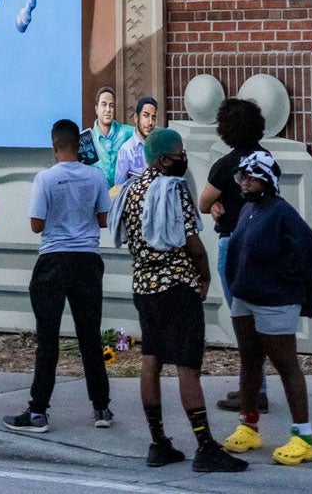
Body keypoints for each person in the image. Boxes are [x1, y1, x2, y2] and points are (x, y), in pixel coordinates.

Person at [118, 127, 245, 475]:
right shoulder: (173, 189)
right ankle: (205, 446)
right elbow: (192, 242)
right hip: (176, 286)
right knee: (188, 366)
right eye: (179, 153)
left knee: (151, 359)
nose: (183, 158)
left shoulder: (132, 189)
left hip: (144, 287)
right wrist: (204, 276)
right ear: (163, 159)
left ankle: (158, 443)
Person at [4, 118, 113, 435]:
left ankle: (38, 411)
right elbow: (104, 219)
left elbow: (36, 225)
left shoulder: (45, 179)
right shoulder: (95, 176)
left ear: (54, 147)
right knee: (90, 337)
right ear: (79, 146)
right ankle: (101, 407)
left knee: (47, 339)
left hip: (53, 259)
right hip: (88, 260)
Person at [222, 149, 312, 467]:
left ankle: (303, 438)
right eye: (243, 177)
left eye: (252, 177)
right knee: (249, 361)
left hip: (275, 302)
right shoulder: (249, 209)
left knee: (285, 364)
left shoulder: (281, 212)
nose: (245, 182)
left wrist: (281, 281)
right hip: (246, 298)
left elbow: (308, 247)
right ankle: (249, 426)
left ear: (266, 180)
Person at [198, 96, 270, 414]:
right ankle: (256, 388)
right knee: (259, 320)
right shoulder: (266, 159)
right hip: (264, 246)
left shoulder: (227, 165)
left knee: (242, 321)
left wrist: (215, 204)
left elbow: (203, 201)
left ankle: (253, 392)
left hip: (234, 245)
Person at [79, 85, 134, 188]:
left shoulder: (126, 132)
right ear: (96, 109)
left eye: (111, 105)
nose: (108, 109)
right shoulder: (87, 140)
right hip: (98, 196)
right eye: (104, 105)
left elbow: (147, 133)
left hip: (121, 196)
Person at [113, 94, 158, 187]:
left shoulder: (158, 147)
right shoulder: (126, 150)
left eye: (153, 118)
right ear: (136, 118)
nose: (150, 122)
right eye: (145, 116)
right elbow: (119, 188)